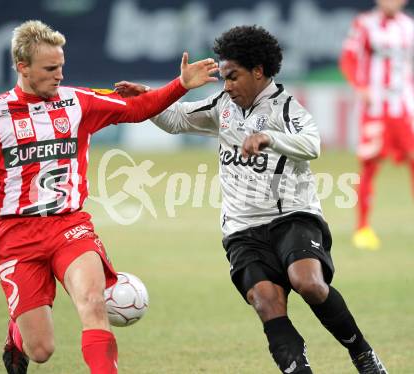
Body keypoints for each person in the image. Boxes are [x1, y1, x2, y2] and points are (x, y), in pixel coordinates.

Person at [119, 25, 388, 373]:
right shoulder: (222, 106)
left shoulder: (286, 107)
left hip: (292, 214)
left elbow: (312, 145)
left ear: (258, 71)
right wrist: (147, 99)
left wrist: (269, 138)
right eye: (224, 78)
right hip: (243, 228)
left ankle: (362, 354)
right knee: (266, 302)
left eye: (233, 77)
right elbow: (175, 121)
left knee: (308, 283)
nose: (227, 86)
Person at [0, 20, 218, 374]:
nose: (59, 75)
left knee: (93, 303)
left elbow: (137, 109)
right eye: (50, 68)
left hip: (68, 225)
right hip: (15, 236)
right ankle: (17, 337)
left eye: (61, 66)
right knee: (41, 349)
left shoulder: (77, 102)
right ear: (22, 66)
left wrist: (180, 85)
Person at [340, 0, 414, 250]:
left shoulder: (409, 27)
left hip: (405, 108)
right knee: (369, 165)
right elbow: (348, 59)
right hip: (376, 109)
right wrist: (360, 87)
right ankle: (362, 228)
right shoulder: (364, 24)